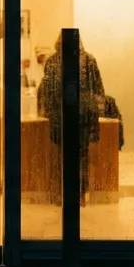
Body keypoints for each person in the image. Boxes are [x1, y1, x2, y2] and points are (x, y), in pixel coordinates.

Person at [37, 35, 106, 205]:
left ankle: (65, 194)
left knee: (63, 156)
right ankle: (79, 195)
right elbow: (98, 90)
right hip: (80, 115)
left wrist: (46, 112)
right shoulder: (89, 60)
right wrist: (96, 113)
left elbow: (47, 91)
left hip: (63, 116)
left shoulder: (53, 61)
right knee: (81, 156)